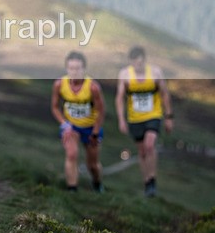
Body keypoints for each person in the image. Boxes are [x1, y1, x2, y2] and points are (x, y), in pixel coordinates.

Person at [115, 46, 173, 197]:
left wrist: (168, 117)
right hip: (135, 118)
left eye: (141, 61)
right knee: (142, 151)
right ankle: (147, 181)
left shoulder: (155, 73)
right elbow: (120, 98)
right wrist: (121, 119)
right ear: (131, 61)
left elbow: (165, 94)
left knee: (150, 145)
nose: (138, 64)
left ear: (144, 60)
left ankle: (152, 179)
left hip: (153, 115)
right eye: (135, 61)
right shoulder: (125, 75)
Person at [51, 51, 106, 193]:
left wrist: (95, 132)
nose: (74, 72)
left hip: (91, 127)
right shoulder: (59, 84)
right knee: (71, 154)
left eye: (77, 68)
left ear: (84, 69)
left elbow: (101, 111)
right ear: (66, 68)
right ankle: (72, 189)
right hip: (72, 126)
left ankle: (97, 184)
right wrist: (64, 124)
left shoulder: (93, 87)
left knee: (92, 164)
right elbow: (55, 107)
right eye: (71, 68)